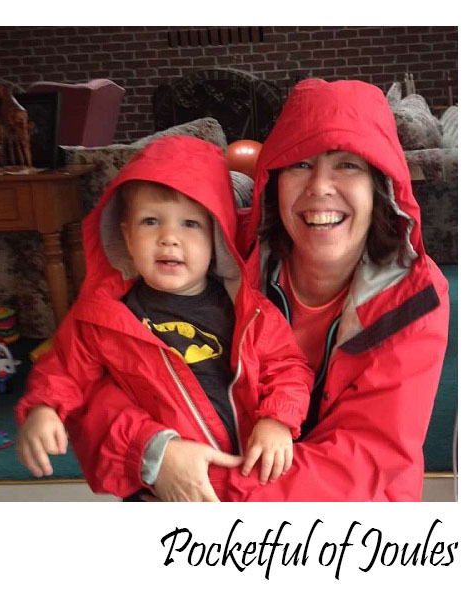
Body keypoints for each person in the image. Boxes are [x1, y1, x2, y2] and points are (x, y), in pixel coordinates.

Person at [63, 79, 450, 502]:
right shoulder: (213, 251)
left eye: (348, 165)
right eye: (299, 163)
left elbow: (362, 459)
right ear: (274, 179)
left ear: (381, 187)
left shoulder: (415, 295)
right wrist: (154, 451)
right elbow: (91, 367)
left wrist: (200, 485)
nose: (320, 186)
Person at [15, 135, 314, 501]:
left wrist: (277, 419)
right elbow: (63, 368)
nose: (169, 238)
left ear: (217, 237)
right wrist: (44, 407)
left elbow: (288, 368)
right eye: (150, 221)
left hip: (246, 475)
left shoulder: (250, 311)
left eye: (190, 224)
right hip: (156, 485)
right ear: (126, 236)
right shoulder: (102, 316)